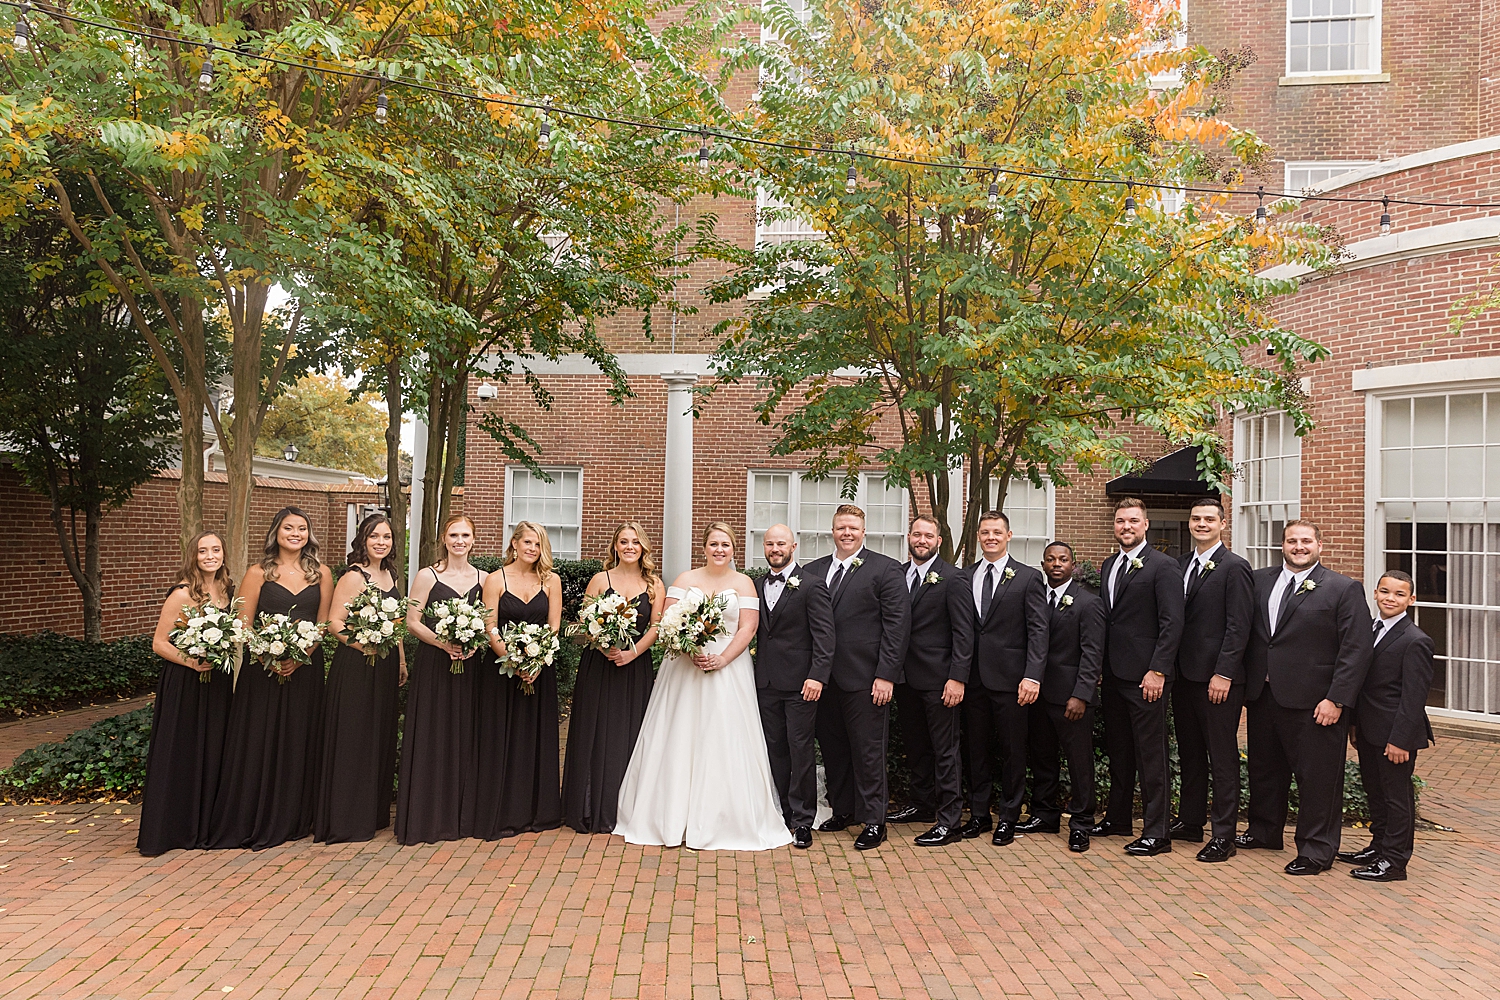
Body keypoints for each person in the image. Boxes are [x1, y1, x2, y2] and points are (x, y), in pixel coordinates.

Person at [614, 522, 792, 851]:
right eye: (713, 544)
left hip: (728, 671)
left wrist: (723, 659)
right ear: (704, 547)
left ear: (733, 549)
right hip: (684, 670)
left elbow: (747, 628)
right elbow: (668, 622)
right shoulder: (685, 580)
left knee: (724, 737)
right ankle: (669, 817)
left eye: (725, 544)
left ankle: (725, 818)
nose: (719, 550)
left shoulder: (744, 584)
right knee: (679, 736)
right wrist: (689, 648)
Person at [1238, 520, 1372, 875]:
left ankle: (1316, 849)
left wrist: (1337, 699)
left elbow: (1356, 650)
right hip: (1264, 694)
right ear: (1282, 545)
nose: (1299, 546)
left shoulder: (1343, 589)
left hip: (1318, 703)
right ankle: (1264, 831)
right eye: (1292, 541)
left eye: (1306, 541)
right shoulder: (1259, 581)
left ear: (1320, 545)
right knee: (1264, 769)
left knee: (1318, 778)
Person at [208, 507, 333, 850]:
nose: (296, 534)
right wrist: (268, 656)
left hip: (305, 669)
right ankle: (254, 815)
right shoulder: (257, 572)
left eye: (302, 528)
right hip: (261, 671)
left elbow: (322, 625)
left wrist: (299, 656)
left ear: (309, 534)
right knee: (259, 738)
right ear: (276, 532)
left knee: (298, 738)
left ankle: (293, 817)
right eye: (289, 528)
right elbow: (243, 626)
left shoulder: (321, 573)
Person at [803, 505, 910, 850]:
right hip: (823, 679)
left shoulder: (885, 569)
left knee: (868, 751)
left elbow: (897, 627)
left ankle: (874, 820)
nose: (846, 533)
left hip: (866, 678)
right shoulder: (813, 570)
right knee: (834, 750)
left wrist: (886, 675)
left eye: (852, 527)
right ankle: (843, 810)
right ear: (831, 531)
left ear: (863, 532)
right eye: (840, 527)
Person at [1094, 498, 1183, 857]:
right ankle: (1117, 818)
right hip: (1114, 676)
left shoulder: (1164, 567)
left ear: (1146, 525)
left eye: (1133, 521)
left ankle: (1157, 831)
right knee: (1120, 751)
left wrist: (1158, 669)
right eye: (1120, 521)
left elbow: (1172, 622)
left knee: (1151, 755)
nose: (1126, 527)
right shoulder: (1109, 564)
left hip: (1147, 676)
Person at [138, 531, 236, 855]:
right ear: (193, 556)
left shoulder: (227, 590)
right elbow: (159, 643)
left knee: (214, 750)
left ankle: (205, 826)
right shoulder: (181, 593)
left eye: (216, 550)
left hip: (217, 682)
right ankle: (172, 829)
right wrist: (191, 662)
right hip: (185, 681)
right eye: (203, 551)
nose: (210, 556)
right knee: (182, 751)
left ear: (224, 554)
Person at [562, 522, 664, 834]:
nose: (630, 546)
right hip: (600, 665)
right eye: (624, 541)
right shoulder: (599, 580)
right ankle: (590, 806)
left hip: (635, 667)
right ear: (615, 547)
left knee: (628, 733)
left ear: (643, 548)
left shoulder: (655, 585)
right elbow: (583, 623)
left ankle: (626, 809)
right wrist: (603, 642)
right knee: (595, 730)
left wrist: (631, 653)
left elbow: (656, 628)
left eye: (635, 542)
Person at [1169, 498, 1254, 863]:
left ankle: (1224, 835)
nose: (1201, 524)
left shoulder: (1235, 567)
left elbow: (1239, 626)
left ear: (1222, 524)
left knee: (1221, 757)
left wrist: (1224, 673)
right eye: (1196, 519)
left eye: (1209, 519)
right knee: (1190, 753)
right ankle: (1190, 821)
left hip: (1218, 680)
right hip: (1184, 676)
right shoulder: (1182, 564)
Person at [314, 514, 406, 845]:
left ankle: (373, 812)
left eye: (387, 537)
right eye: (374, 536)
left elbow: (395, 622)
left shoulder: (390, 574)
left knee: (378, 735)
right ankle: (346, 818)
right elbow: (334, 624)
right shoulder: (354, 576)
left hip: (384, 664)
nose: (381, 542)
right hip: (357, 664)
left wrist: (401, 659)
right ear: (362, 540)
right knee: (354, 735)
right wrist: (364, 644)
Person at [958, 510, 1048, 846]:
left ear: (1009, 536)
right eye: (985, 532)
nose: (991, 537)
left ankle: (1009, 816)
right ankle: (979, 814)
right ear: (978, 536)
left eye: (997, 532)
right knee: (976, 749)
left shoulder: (1027, 578)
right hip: (974, 679)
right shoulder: (965, 577)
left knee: (1012, 751)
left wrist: (1032, 676)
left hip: (1013, 681)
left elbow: (1039, 630)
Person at [396, 515, 487, 845]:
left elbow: (490, 622)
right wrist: (442, 642)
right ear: (444, 540)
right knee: (435, 734)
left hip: (472, 669)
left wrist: (473, 643)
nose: (459, 540)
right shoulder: (427, 576)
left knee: (468, 734)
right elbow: (412, 621)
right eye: (453, 535)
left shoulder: (485, 578)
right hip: (435, 666)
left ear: (474, 540)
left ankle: (464, 815)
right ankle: (429, 816)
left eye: (465, 535)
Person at [1339, 569, 1433, 882]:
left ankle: (1394, 862)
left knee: (1397, 798)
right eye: (1385, 591)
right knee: (1375, 792)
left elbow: (1413, 698)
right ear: (1375, 594)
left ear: (1412, 599)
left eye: (1399, 594)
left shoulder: (1415, 641)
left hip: (1396, 735)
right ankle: (1378, 846)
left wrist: (1401, 740)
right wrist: (1354, 724)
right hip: (1367, 729)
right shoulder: (1370, 629)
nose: (1390, 598)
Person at [475, 521, 564, 839]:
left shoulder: (551, 581)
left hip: (540, 671)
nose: (532, 549)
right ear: (514, 544)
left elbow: (554, 627)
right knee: (503, 737)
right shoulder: (495, 579)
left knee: (535, 738)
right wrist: (511, 659)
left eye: (538, 544)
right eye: (527, 542)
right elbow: (490, 626)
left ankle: (538, 812)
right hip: (502, 670)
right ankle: (502, 811)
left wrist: (537, 661)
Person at [891, 515, 973, 847]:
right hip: (905, 678)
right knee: (916, 747)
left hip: (940, 679)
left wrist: (957, 678)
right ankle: (922, 805)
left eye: (929, 535)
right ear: (908, 537)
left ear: (939, 541)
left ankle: (950, 819)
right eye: (917, 534)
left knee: (945, 749)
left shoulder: (954, 579)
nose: (922, 540)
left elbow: (964, 634)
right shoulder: (896, 575)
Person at [753, 523, 836, 849]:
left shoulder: (813, 586)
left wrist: (817, 675)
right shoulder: (756, 585)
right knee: (775, 751)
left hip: (802, 684)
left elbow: (825, 637)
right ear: (764, 546)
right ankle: (783, 814)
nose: (776, 549)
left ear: (794, 546)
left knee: (800, 751)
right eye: (770, 543)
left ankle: (802, 821)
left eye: (781, 543)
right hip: (765, 683)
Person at [1021, 541, 1105, 854]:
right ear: (1043, 565)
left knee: (1079, 762)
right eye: (1051, 559)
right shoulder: (1035, 599)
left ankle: (1082, 822)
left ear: (1073, 565)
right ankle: (1044, 814)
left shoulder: (1088, 602)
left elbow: (1092, 653)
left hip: (1071, 697)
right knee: (1042, 758)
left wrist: (1081, 694)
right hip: (1037, 695)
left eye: (1063, 559)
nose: (1057, 564)